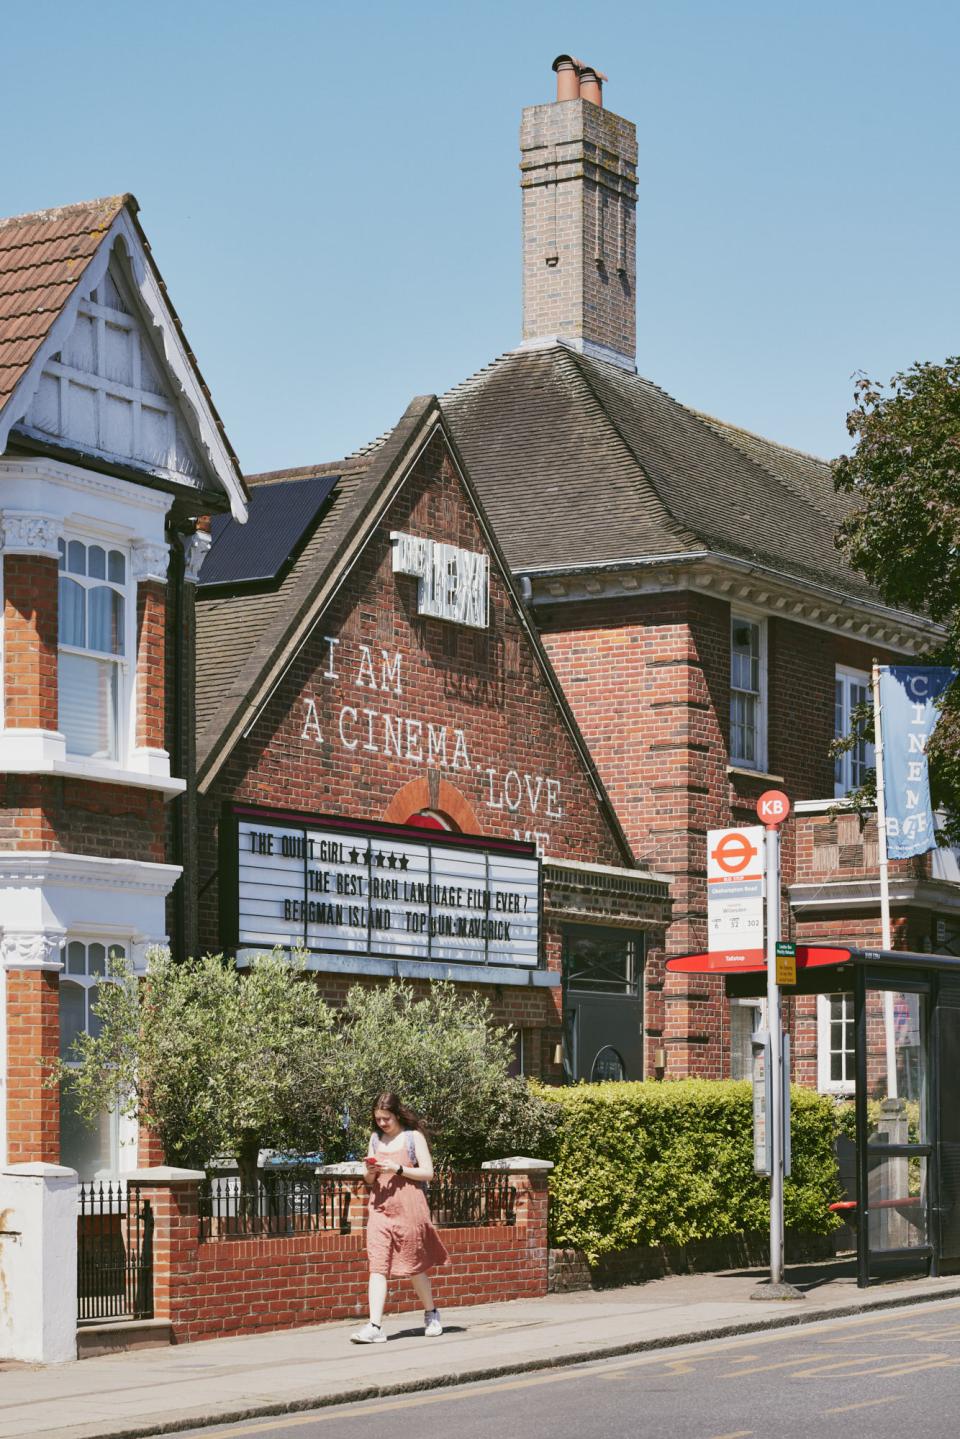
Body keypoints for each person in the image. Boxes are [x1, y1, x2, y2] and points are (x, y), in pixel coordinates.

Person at [350, 1091, 449, 1344]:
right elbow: (368, 1179)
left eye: (386, 1118)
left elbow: (428, 1173)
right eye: (378, 1119)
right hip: (380, 1208)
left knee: (414, 1264)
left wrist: (399, 1169)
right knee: (377, 1265)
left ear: (397, 1114)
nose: (382, 1123)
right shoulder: (375, 1139)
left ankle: (431, 1313)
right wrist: (370, 1171)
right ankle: (374, 1326)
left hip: (410, 1209)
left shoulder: (412, 1138)